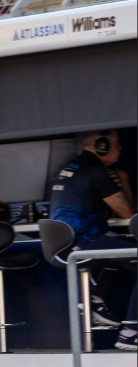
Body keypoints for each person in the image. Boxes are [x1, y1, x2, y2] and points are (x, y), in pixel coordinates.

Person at [48, 129, 137, 351]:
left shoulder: (70, 167)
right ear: (102, 146)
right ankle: (131, 332)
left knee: (120, 253)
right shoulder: (96, 171)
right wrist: (124, 179)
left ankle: (95, 300)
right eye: (117, 144)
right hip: (83, 242)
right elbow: (127, 212)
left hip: (67, 243)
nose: (120, 149)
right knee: (130, 254)